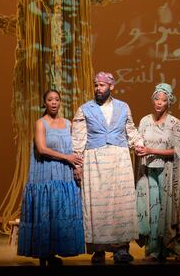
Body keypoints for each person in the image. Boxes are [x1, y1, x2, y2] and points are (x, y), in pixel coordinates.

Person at [71, 71, 144, 264]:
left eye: (101, 85)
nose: (98, 88)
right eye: (95, 85)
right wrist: (77, 164)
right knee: (97, 204)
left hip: (119, 159)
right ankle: (99, 249)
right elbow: (78, 139)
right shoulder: (85, 109)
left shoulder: (123, 107)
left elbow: (130, 130)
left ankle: (121, 248)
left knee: (120, 204)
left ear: (111, 86)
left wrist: (138, 144)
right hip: (95, 161)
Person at [17, 89, 85, 266]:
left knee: (59, 210)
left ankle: (54, 251)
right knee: (46, 210)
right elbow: (42, 149)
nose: (54, 102)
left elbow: (74, 148)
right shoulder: (41, 123)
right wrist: (67, 157)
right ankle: (43, 252)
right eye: (50, 100)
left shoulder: (68, 123)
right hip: (46, 173)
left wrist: (76, 165)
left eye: (56, 99)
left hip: (64, 175)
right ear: (44, 103)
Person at [135, 83, 180, 262]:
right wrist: (139, 149)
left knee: (169, 211)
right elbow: (140, 142)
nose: (159, 103)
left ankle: (177, 250)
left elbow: (177, 151)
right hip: (149, 172)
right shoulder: (145, 121)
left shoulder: (174, 123)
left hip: (168, 172)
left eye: (163, 100)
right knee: (152, 212)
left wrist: (150, 150)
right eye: (156, 98)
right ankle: (154, 252)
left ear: (169, 102)